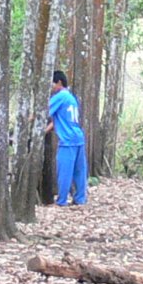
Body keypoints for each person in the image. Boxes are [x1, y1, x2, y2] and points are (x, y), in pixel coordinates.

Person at [45, 69, 87, 206]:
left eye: (52, 84)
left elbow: (42, 112)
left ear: (59, 82)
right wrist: (44, 131)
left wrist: (26, 120)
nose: (51, 87)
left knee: (64, 171)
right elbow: (57, 121)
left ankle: (62, 201)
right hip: (78, 138)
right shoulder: (70, 97)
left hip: (67, 140)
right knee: (79, 171)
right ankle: (80, 199)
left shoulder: (60, 96)